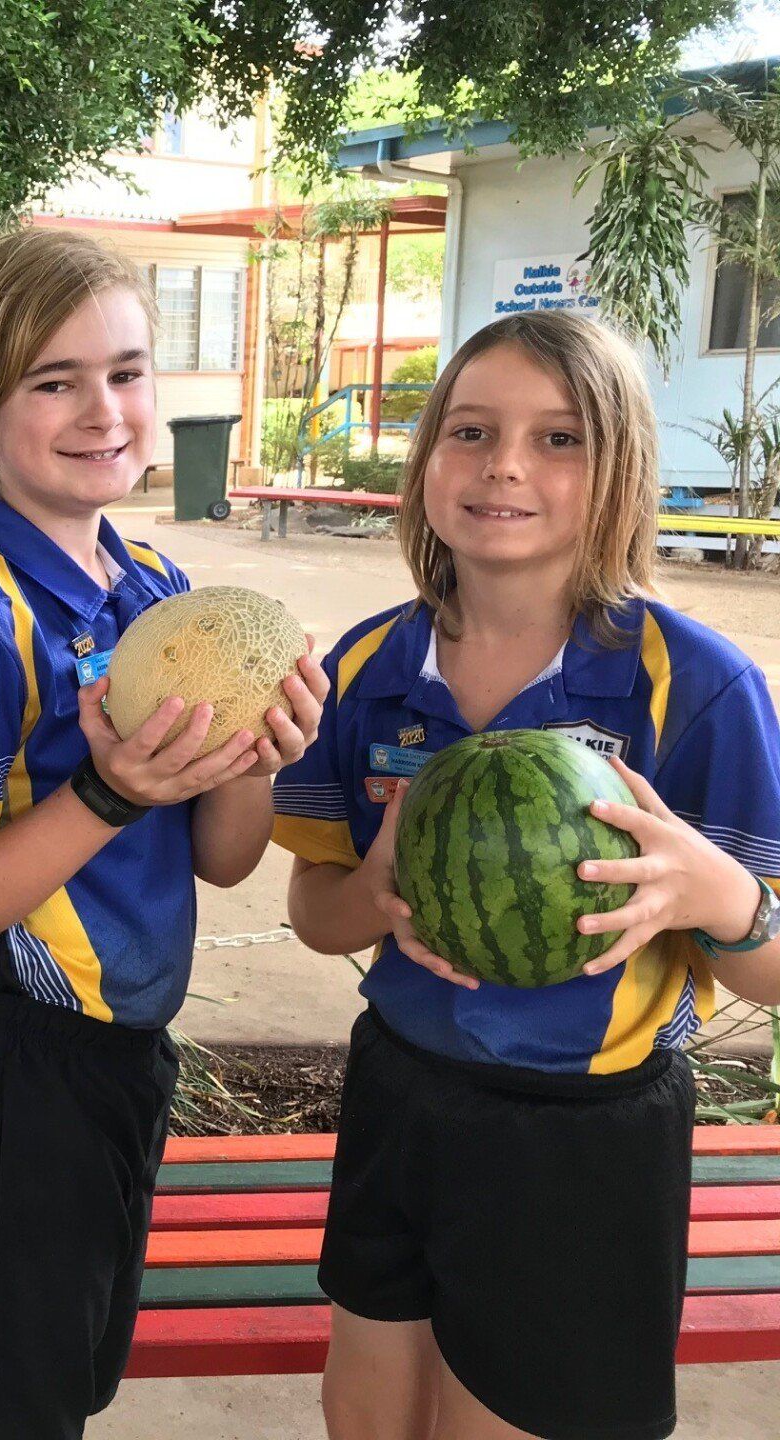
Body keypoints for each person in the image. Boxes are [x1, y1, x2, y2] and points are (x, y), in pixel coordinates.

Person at [275, 309, 780, 1440]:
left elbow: (774, 965)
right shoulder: (364, 669)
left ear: (621, 472)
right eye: (470, 430)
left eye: (561, 439)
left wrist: (718, 898)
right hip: (400, 1092)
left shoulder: (695, 687)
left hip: (584, 1132)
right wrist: (378, 895)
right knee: (368, 1414)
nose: (505, 464)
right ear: (426, 461)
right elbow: (315, 908)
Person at [0, 226, 327, 1439]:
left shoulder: (159, 592)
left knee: (60, 1387)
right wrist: (109, 794)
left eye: (125, 372)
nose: (103, 409)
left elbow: (222, 856)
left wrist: (259, 756)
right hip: (6, 1067)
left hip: (117, 1060)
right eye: (53, 380)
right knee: (20, 1408)